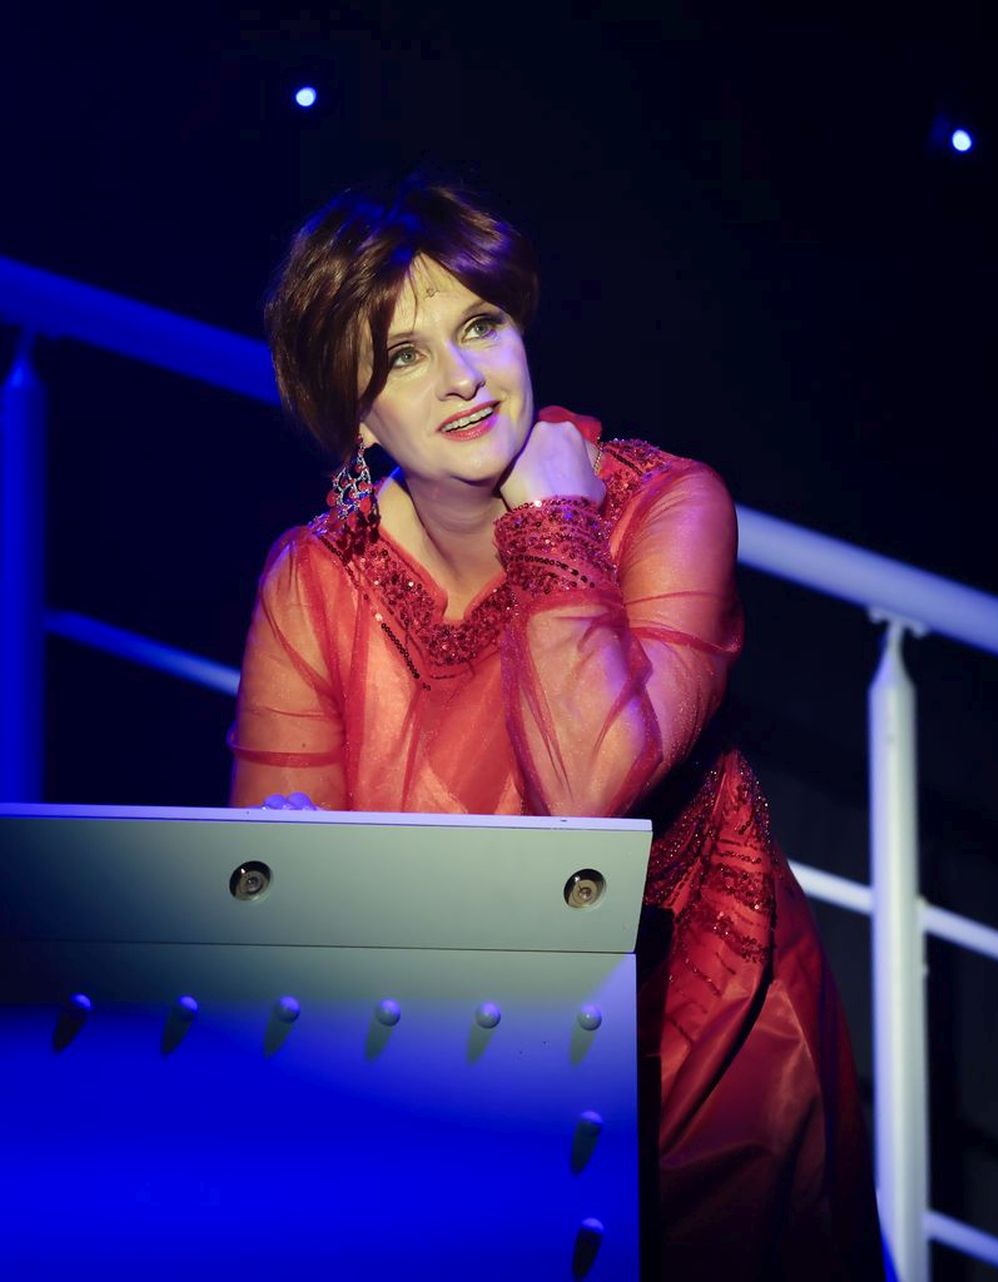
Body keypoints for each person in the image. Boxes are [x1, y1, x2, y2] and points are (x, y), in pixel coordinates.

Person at [229, 177, 884, 1279]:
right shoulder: (313, 577)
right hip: (450, 1054)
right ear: (356, 414)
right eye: (404, 356)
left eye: (481, 324)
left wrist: (552, 522)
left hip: (699, 1061)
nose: (463, 377)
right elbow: (263, 897)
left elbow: (584, 794)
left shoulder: (666, 505)